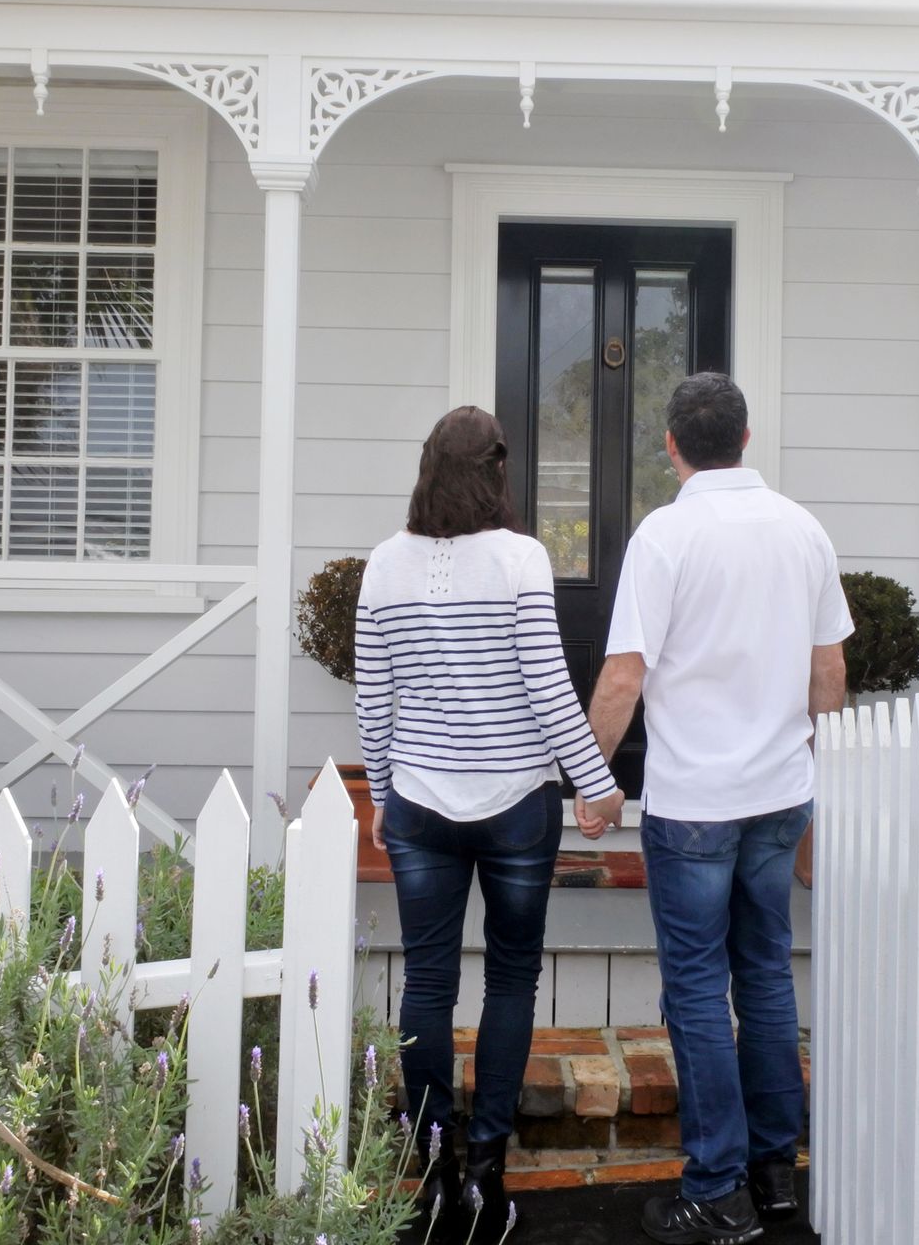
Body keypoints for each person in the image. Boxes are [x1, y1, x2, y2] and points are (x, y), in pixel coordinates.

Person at [580, 372, 851, 1245]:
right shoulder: (803, 530)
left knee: (698, 990)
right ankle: (775, 1173)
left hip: (694, 802)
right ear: (744, 437)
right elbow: (829, 676)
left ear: (672, 446)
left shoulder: (666, 536)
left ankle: (717, 1187)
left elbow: (625, 676)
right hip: (779, 795)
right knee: (767, 974)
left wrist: (590, 779)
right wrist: (823, 783)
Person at [356, 405, 626, 1242]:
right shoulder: (521, 557)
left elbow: (375, 696)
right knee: (512, 980)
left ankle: (434, 1171)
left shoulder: (382, 566)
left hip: (422, 807)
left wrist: (386, 791)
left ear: (427, 469)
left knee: (428, 985)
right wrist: (595, 782)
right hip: (515, 806)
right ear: (497, 473)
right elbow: (548, 686)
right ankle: (487, 1175)